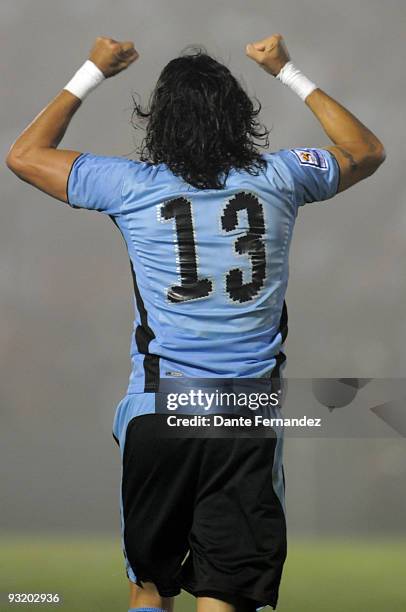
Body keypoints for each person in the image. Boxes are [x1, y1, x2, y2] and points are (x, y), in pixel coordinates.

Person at [6, 32, 385, 612]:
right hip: (244, 418)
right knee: (227, 594)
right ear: (239, 117)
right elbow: (365, 149)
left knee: (150, 589)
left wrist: (92, 70)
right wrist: (287, 71)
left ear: (158, 123)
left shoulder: (130, 186)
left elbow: (25, 155)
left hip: (160, 409)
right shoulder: (282, 177)